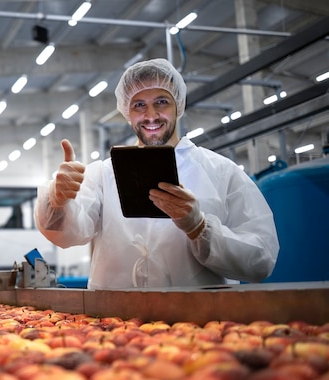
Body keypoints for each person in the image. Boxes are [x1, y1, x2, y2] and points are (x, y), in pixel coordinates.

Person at [34, 58, 279, 289]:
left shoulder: (221, 172)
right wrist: (57, 200)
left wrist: (201, 229)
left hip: (201, 320)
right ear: (127, 115)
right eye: (139, 105)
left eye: (162, 102)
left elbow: (261, 259)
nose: (151, 115)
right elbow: (66, 235)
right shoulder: (102, 175)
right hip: (116, 322)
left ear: (178, 107)